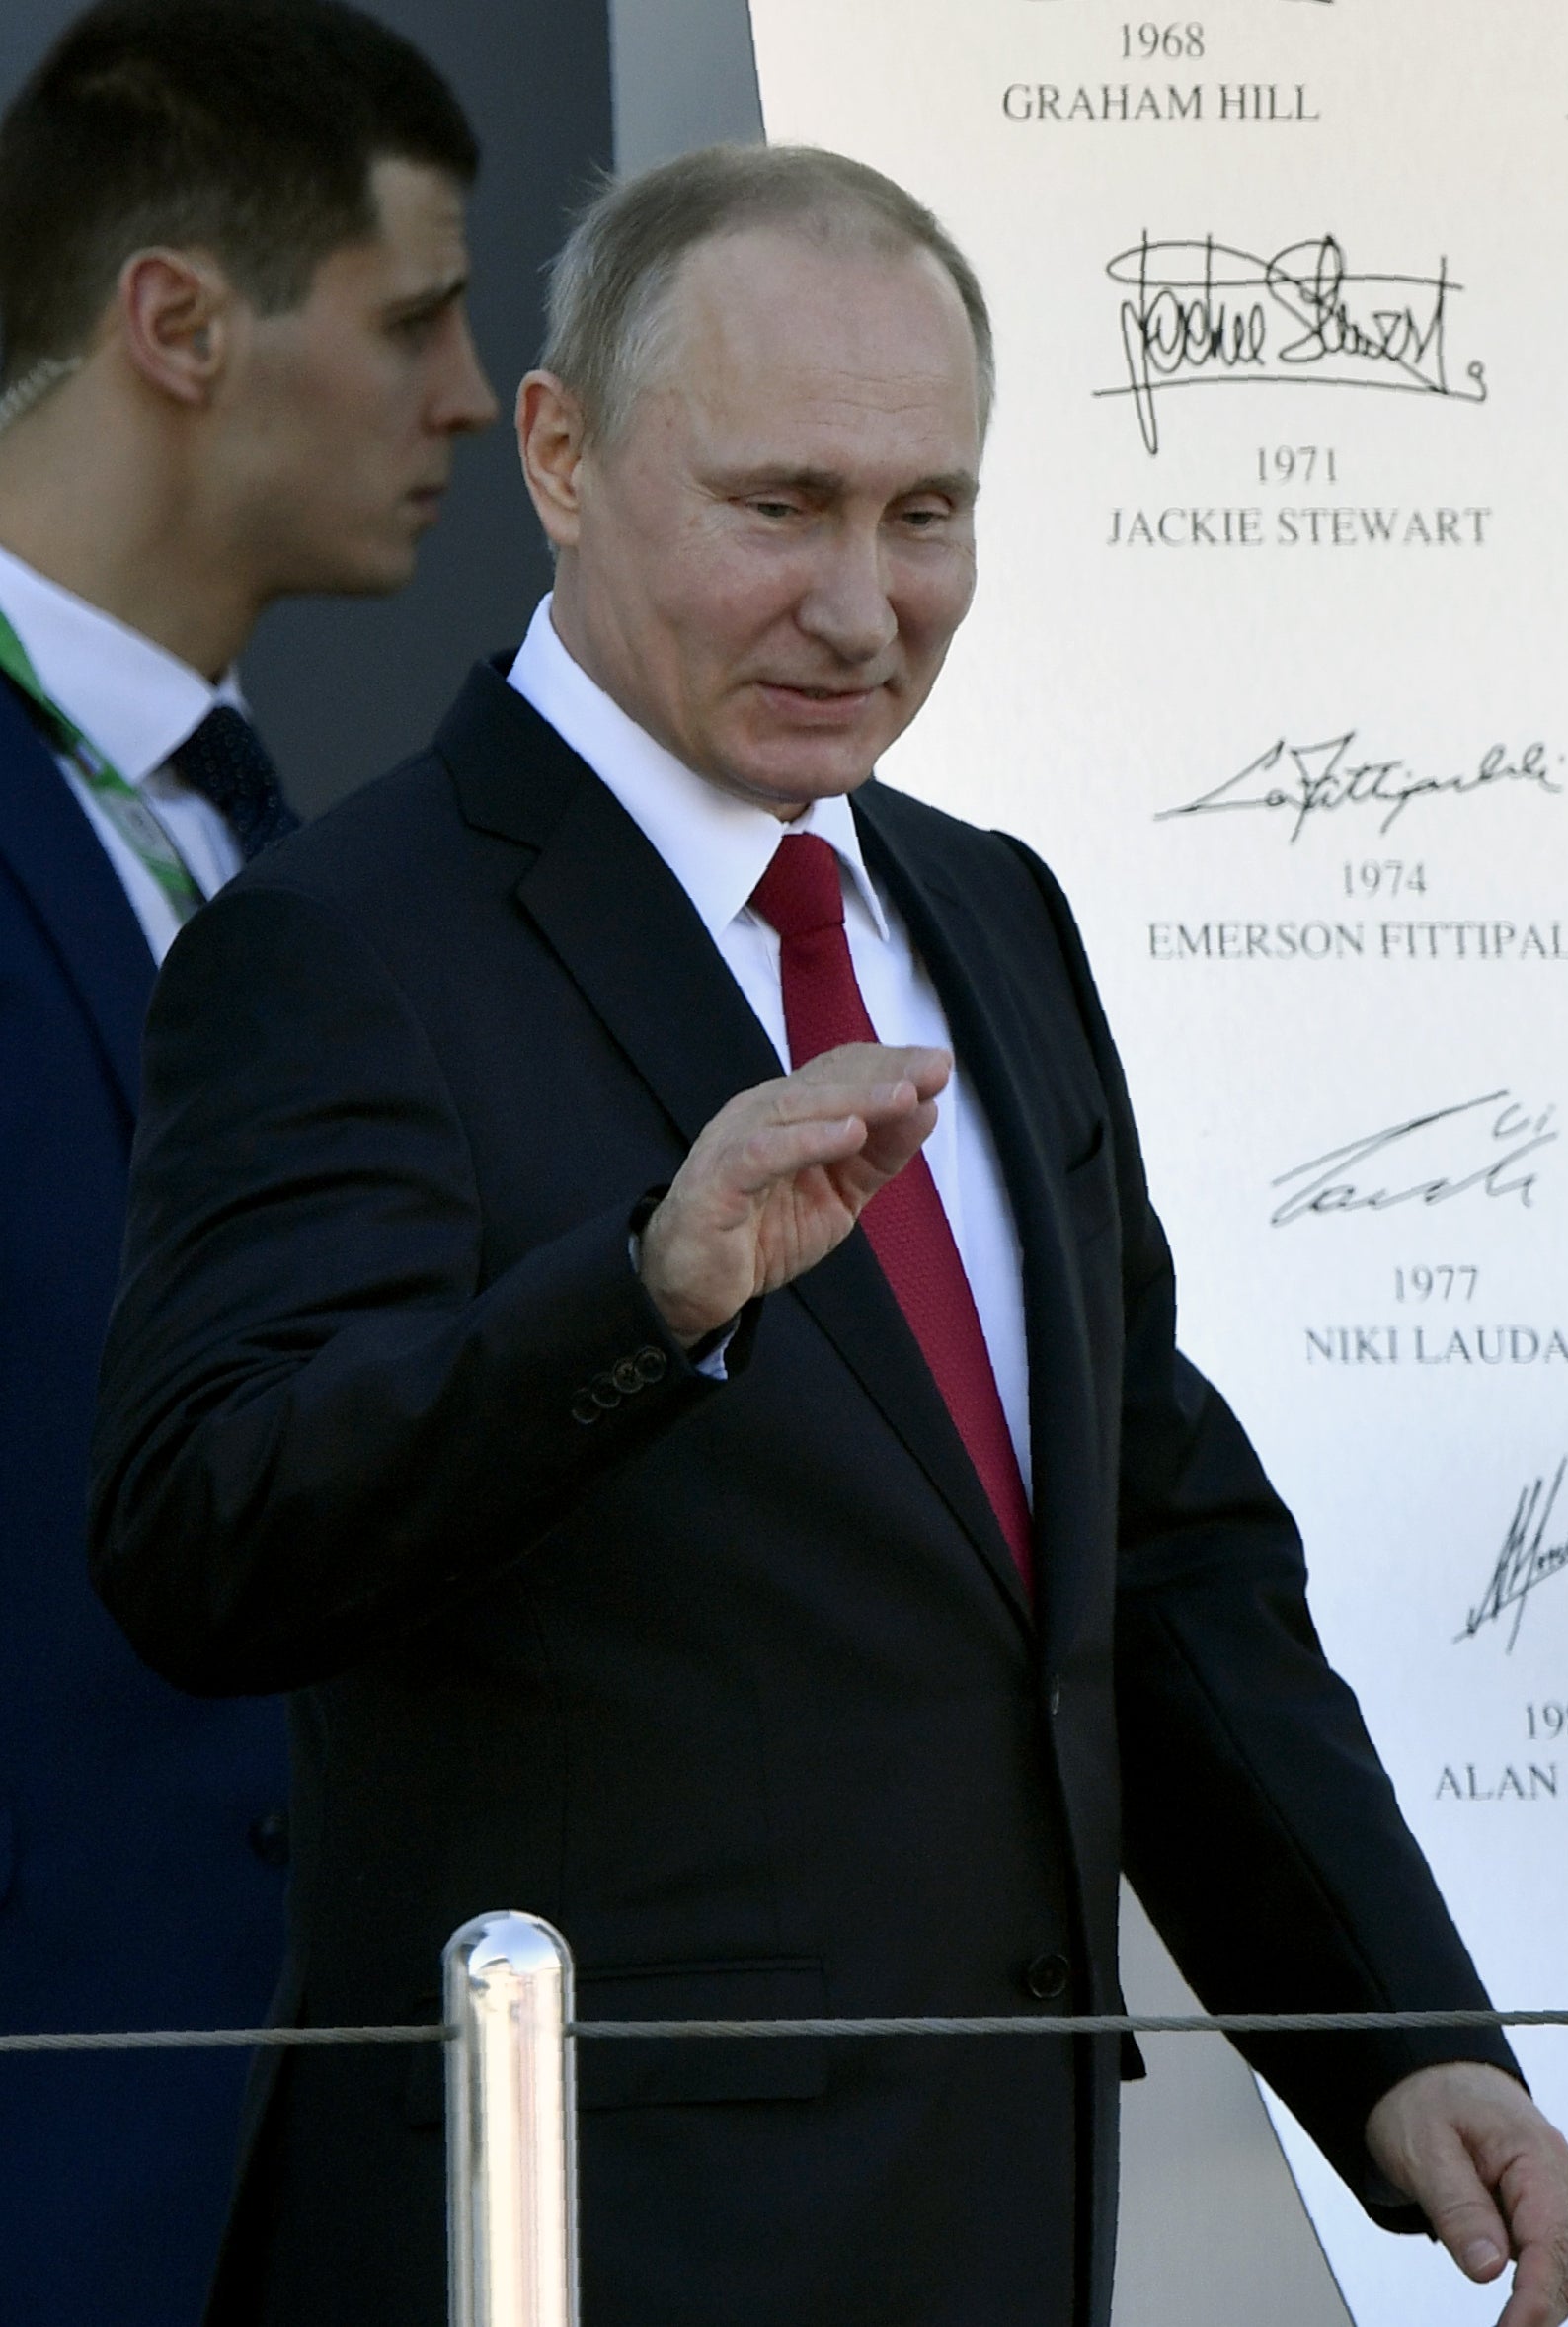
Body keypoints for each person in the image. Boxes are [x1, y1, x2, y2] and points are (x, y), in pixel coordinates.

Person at [90, 143, 1568, 2327]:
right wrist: (644, 1292)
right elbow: (203, 1534)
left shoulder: (985, 909)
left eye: (928, 513)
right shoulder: (341, 942)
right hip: (581, 2244)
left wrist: (1396, 2031)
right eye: (781, 506)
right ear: (563, 453)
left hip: (997, 2218)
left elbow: (1144, 1539)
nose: (865, 604)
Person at [0, 6, 494, 2320]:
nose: (474, 395)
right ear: (176, 323)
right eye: (415, 318)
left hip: (339, 2153)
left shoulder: (281, 845)